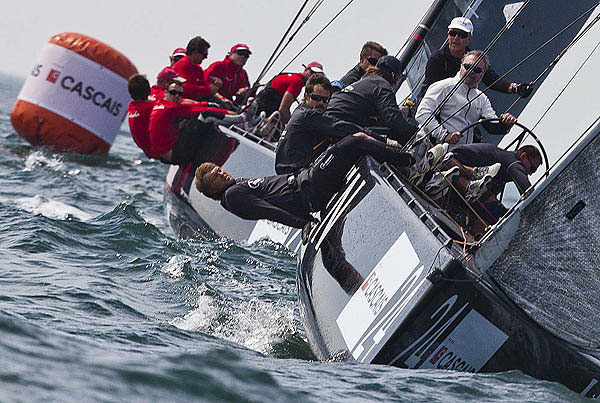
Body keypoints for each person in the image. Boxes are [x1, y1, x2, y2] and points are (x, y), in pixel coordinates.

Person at [194, 134, 414, 235]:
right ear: (211, 189)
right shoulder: (232, 196)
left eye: (219, 169)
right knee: (352, 142)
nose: (221, 173)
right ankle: (411, 161)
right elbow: (269, 212)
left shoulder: (236, 189)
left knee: (355, 141)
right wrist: (304, 224)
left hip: (308, 182)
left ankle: (405, 165)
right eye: (215, 176)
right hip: (310, 187)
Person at [425, 142, 542, 228]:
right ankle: (470, 178)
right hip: (454, 162)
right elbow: (528, 192)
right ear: (523, 156)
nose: (530, 174)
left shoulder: (503, 163)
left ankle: (472, 232)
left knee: (496, 212)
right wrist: (540, 213)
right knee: (496, 211)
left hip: (457, 167)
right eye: (532, 169)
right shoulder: (513, 162)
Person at [416, 50, 517, 146]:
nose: (471, 71)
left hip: (461, 154)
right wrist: (444, 135)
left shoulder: (481, 98)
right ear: (461, 66)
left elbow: (491, 126)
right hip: (435, 149)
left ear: (483, 74)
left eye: (477, 70)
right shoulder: (443, 87)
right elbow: (422, 113)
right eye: (467, 66)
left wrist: (506, 123)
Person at [420, 17, 533, 99]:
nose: (456, 38)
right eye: (453, 33)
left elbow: (492, 80)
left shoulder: (475, 59)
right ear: (448, 34)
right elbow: (428, 91)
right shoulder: (437, 59)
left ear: (469, 38)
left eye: (462, 35)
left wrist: (516, 88)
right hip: (439, 107)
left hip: (462, 106)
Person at [275, 74, 365, 175]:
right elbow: (339, 127)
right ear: (306, 97)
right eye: (316, 98)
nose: (321, 103)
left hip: (290, 172)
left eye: (325, 100)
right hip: (294, 174)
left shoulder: (301, 110)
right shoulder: (307, 115)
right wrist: (368, 134)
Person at [148, 80, 246, 166]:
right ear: (166, 92)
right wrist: (233, 114)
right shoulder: (171, 108)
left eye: (180, 94)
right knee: (206, 116)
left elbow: (188, 103)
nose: (177, 96)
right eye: (173, 92)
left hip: (164, 154)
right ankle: (242, 119)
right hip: (175, 156)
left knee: (193, 117)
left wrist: (207, 103)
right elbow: (199, 109)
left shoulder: (160, 103)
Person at [325, 55, 417, 145]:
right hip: (342, 124)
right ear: (393, 76)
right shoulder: (381, 85)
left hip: (329, 120)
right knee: (393, 133)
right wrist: (416, 134)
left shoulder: (365, 80)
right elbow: (393, 119)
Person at [254, 61, 324, 125]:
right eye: (312, 73)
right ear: (306, 70)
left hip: (260, 105)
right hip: (263, 109)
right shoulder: (297, 81)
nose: (313, 77)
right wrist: (292, 126)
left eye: (317, 76)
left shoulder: (294, 77)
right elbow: (283, 109)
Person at [172, 36, 221, 101]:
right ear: (195, 53)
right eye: (204, 55)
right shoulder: (183, 65)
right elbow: (185, 88)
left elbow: (203, 86)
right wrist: (208, 89)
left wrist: (214, 85)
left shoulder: (198, 69)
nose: (205, 58)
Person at [127, 74, 160, 159]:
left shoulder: (131, 106)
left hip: (148, 152)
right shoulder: (148, 108)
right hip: (159, 152)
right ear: (148, 91)